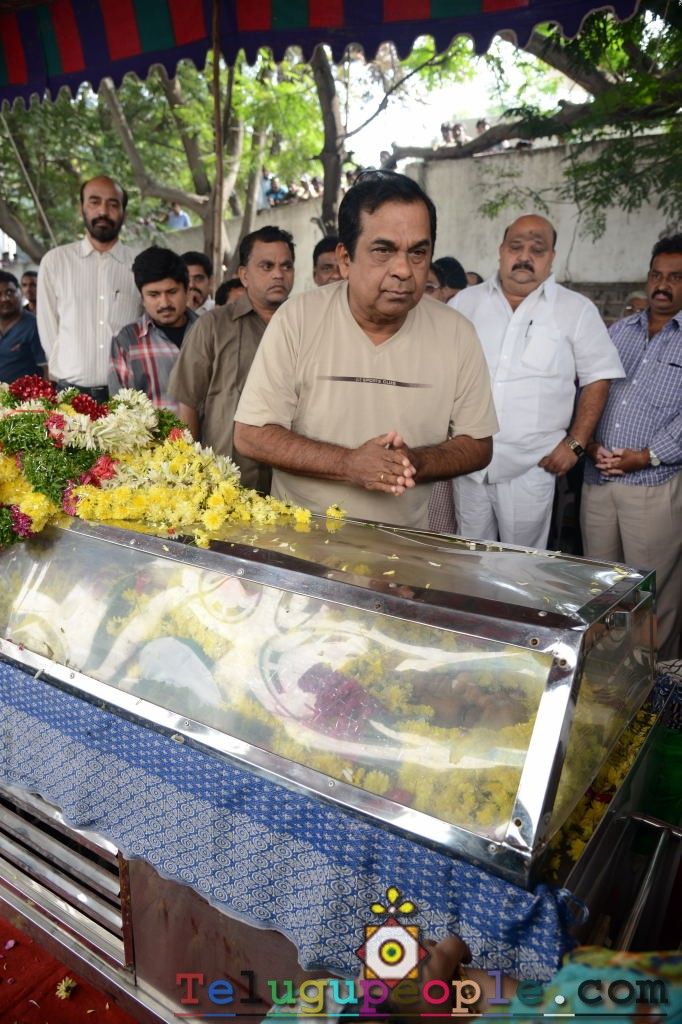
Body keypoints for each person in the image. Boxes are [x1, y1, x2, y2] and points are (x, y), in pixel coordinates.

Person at [233, 171, 497, 529]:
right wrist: (348, 464)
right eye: (383, 251)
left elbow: (478, 444)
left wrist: (414, 462)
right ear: (345, 259)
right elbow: (251, 435)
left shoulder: (457, 333)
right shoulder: (297, 319)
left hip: (403, 547)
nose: (403, 270)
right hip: (299, 543)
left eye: (418, 253)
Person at [450, 214, 624, 549]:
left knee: (522, 565)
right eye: (516, 247)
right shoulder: (465, 304)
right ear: (501, 250)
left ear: (552, 257)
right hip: (469, 461)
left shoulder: (576, 310)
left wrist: (575, 444)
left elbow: (598, 378)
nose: (524, 257)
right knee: (468, 559)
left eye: (537, 249)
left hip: (532, 466)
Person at [581, 234, 682, 660]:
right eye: (656, 275)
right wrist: (588, 443)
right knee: (601, 589)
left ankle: (657, 685)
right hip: (599, 479)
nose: (663, 285)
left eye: (675, 277)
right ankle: (607, 680)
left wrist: (647, 455)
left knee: (652, 595)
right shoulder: (618, 331)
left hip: (653, 485)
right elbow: (589, 389)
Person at [169, 226, 295, 492]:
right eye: (267, 266)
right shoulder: (213, 326)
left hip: (291, 481)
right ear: (244, 275)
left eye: (286, 266)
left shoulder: (305, 326)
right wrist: (189, 473)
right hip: (226, 483)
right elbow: (188, 403)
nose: (278, 274)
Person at [37, 175, 140, 401]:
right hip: (70, 396)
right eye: (94, 202)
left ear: (123, 212)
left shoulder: (139, 265)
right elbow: (48, 329)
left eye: (113, 204)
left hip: (127, 398)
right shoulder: (55, 262)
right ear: (81, 208)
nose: (103, 211)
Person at [108, 247, 197, 411]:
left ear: (186, 290)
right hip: (151, 429)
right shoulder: (126, 341)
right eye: (154, 295)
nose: (164, 303)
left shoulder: (210, 332)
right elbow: (122, 411)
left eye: (172, 292)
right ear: (142, 298)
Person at [0, 270, 46, 382]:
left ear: (20, 292)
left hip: (24, 392)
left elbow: (47, 369)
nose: (4, 298)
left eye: (9, 292)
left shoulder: (35, 326)